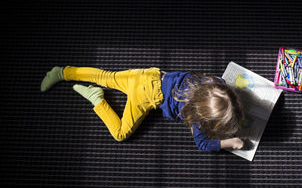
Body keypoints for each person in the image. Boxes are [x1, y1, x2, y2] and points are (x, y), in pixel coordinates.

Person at [40, 66, 245, 151]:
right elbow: (202, 144)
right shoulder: (197, 118)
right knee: (120, 134)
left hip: (147, 75)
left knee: (104, 76)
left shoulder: (211, 82)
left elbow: (223, 85)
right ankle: (97, 100)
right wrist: (231, 142)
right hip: (144, 97)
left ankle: (62, 72)